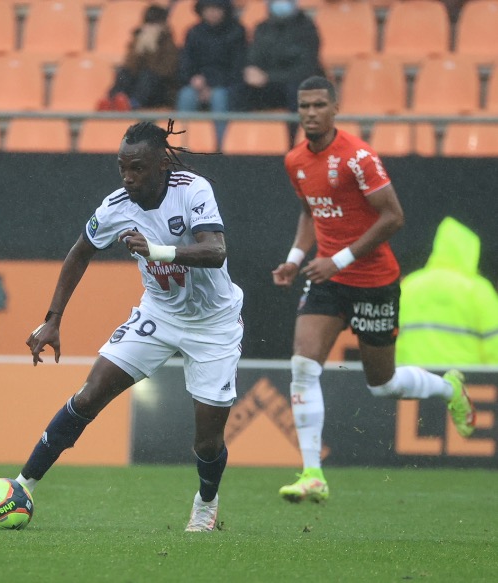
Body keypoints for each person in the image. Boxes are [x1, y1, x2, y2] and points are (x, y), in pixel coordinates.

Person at [0, 121, 245, 532]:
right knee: (88, 395)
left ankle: (206, 502)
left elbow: (216, 251)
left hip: (214, 324)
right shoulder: (116, 206)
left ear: (161, 164)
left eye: (138, 169)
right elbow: (79, 254)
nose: (128, 178)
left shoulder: (192, 189)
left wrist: (158, 250)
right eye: (122, 168)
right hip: (159, 314)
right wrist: (53, 321)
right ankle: (22, 486)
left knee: (206, 439)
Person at [271, 76, 476, 503]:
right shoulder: (294, 161)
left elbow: (394, 217)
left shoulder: (358, 157)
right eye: (303, 105)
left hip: (373, 282)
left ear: (334, 108)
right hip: (329, 281)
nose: (310, 112)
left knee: (381, 384)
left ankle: (449, 388)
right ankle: (313, 473)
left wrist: (339, 259)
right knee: (303, 366)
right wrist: (295, 258)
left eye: (318, 105)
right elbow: (310, 212)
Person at [396, 216, 498, 366]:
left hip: (416, 381)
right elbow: (494, 344)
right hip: (464, 384)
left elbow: (392, 340)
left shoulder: (409, 286)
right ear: (471, 252)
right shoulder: (478, 290)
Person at [234, 0, 322, 145]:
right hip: (268, 87)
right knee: (237, 91)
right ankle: (239, 144)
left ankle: (293, 144)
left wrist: (268, 77)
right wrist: (251, 71)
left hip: (294, 85)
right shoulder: (262, 28)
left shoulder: (307, 29)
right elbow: (254, 59)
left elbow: (305, 69)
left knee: (297, 93)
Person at [175, 0, 247, 148]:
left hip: (226, 85)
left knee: (219, 97)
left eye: (217, 9)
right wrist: (192, 78)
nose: (212, 13)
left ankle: (220, 148)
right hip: (197, 84)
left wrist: (210, 84)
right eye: (208, 9)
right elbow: (186, 63)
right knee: (186, 95)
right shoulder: (193, 32)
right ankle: (182, 146)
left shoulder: (237, 32)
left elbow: (236, 68)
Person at [97, 4, 179, 111]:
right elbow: (130, 66)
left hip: (160, 91)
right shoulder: (138, 39)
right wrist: (138, 49)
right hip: (137, 85)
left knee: (148, 75)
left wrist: (151, 50)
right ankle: (113, 101)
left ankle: (133, 103)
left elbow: (163, 71)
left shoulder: (168, 44)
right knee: (124, 72)